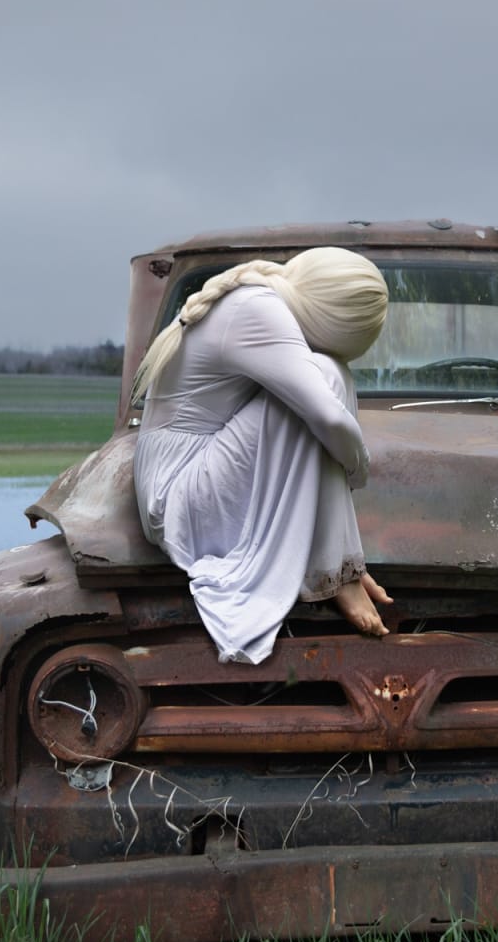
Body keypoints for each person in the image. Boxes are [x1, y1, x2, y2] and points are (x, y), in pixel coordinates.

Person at [132, 246, 393, 665]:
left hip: (191, 478)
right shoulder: (256, 309)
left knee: (326, 380)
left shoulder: (257, 301)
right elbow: (328, 416)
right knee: (325, 380)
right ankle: (336, 575)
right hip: (178, 499)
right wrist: (358, 470)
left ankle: (342, 567)